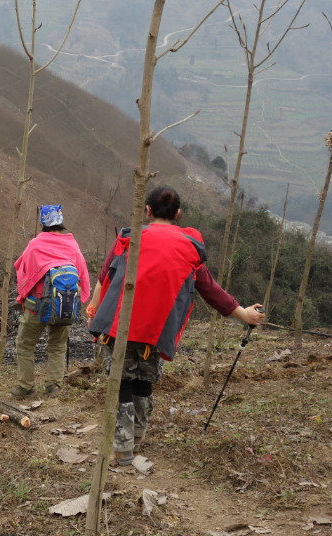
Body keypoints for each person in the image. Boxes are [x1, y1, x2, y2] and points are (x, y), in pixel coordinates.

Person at [86, 186, 265, 466]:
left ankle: (122, 449)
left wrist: (93, 312)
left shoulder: (129, 238)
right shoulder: (189, 248)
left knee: (122, 381)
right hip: (158, 331)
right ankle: (138, 436)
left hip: (120, 326)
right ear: (178, 214)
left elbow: (103, 278)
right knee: (144, 380)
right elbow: (210, 289)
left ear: (147, 211)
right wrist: (244, 314)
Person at [11, 205, 91, 398]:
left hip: (36, 306)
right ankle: (54, 386)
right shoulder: (72, 245)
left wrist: (21, 297)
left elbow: (24, 272)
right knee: (57, 346)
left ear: (42, 223)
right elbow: (82, 275)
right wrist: (79, 300)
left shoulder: (35, 245)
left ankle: (26, 387)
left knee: (25, 344)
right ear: (60, 221)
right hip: (64, 304)